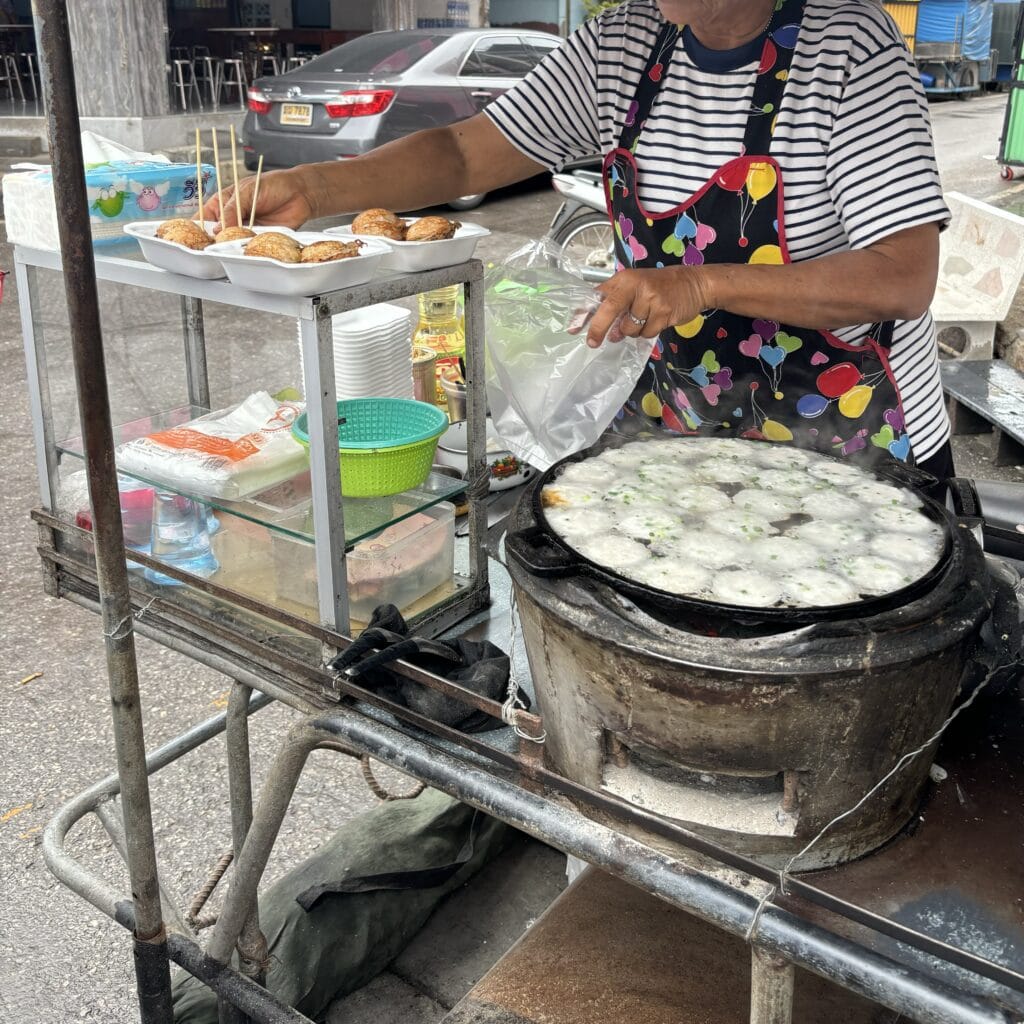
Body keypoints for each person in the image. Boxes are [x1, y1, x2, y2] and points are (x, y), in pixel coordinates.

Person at [209, 0, 953, 478]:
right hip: (679, 435)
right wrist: (316, 190)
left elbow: (901, 276)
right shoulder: (623, 47)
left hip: (849, 438)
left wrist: (697, 284)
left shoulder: (847, 46)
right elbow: (468, 153)